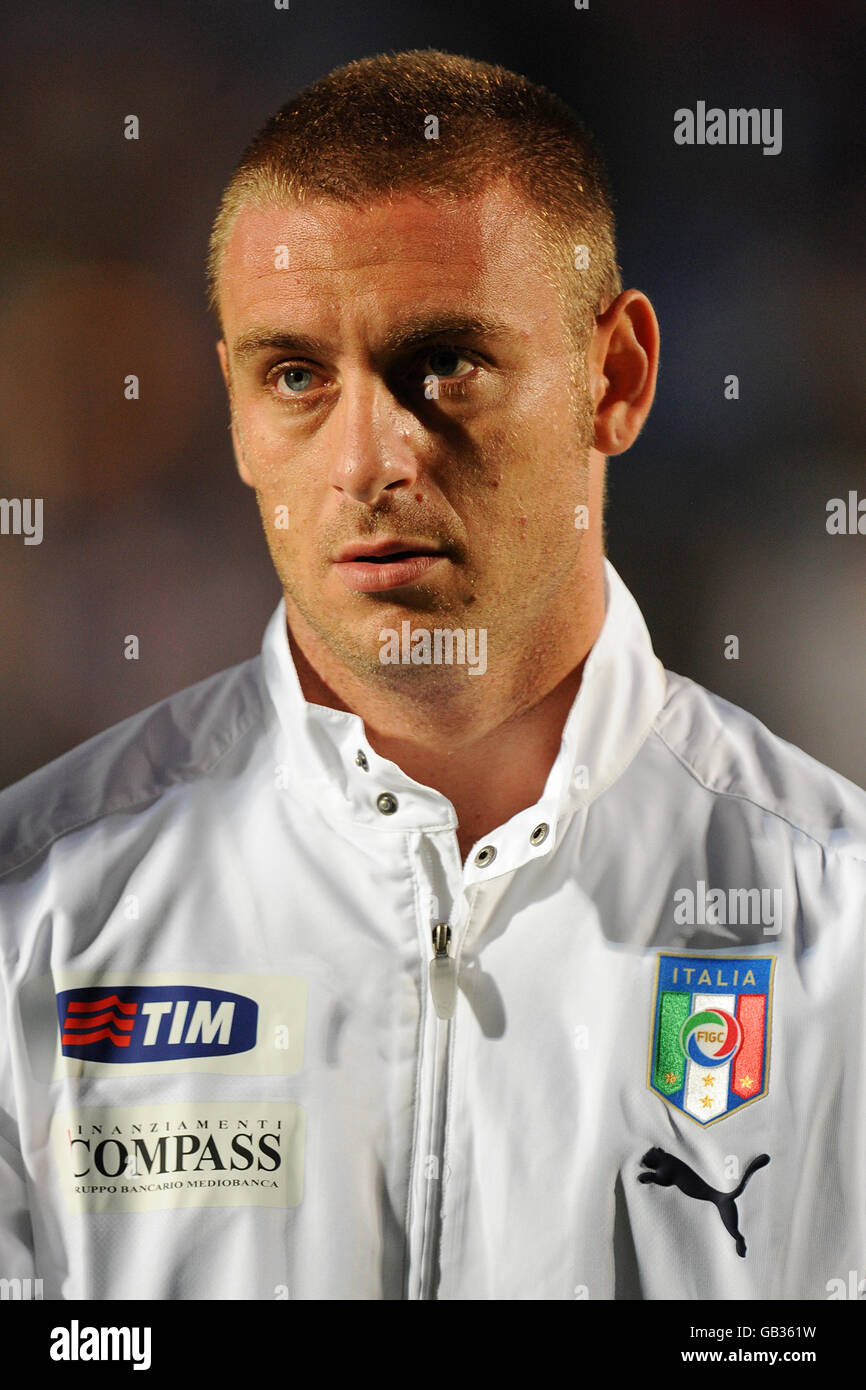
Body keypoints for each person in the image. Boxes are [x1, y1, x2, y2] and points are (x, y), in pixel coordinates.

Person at [0, 49, 863, 1302]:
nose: (370, 457)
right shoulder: (34, 925)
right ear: (238, 415)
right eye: (295, 375)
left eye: (445, 363)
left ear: (613, 379)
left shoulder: (838, 934)